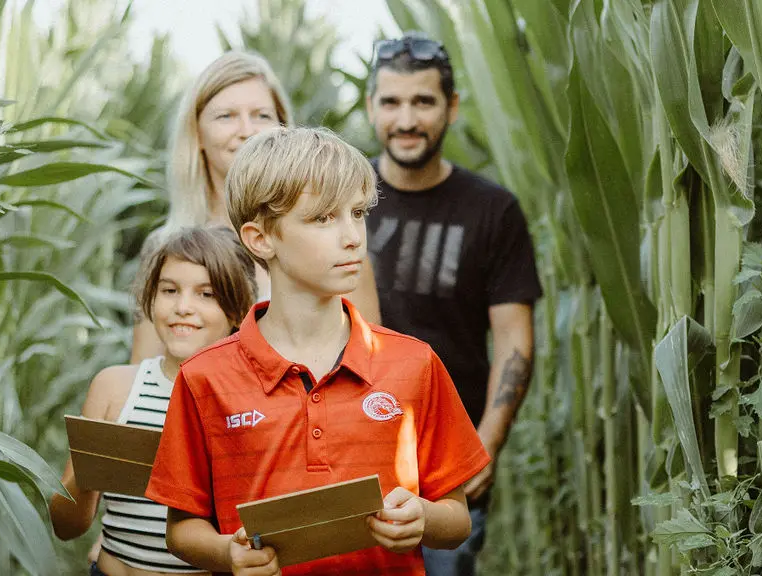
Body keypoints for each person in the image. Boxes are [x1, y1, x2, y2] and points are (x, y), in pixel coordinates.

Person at [144, 126, 491, 575]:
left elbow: (457, 517)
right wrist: (227, 554)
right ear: (260, 239)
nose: (352, 237)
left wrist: (423, 518)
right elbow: (181, 527)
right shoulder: (204, 377)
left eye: (357, 213)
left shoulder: (414, 363)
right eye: (323, 218)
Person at [364, 32, 543, 575]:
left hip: (448, 465)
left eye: (423, 101)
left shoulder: (492, 210)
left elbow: (514, 337)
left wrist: (485, 446)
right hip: (354, 457)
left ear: (452, 107)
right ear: (371, 106)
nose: (406, 119)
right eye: (391, 102)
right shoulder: (342, 198)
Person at [131, 51, 380, 363]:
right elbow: (143, 371)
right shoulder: (165, 247)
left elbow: (373, 368)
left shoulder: (338, 249)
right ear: (197, 135)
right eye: (226, 116)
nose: (247, 130)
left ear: (283, 128)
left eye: (262, 115)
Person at [49, 226, 258, 576]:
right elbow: (65, 526)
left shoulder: (250, 402)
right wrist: (91, 471)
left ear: (237, 311)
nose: (183, 307)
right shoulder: (114, 387)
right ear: (151, 299)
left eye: (206, 294)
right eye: (169, 290)